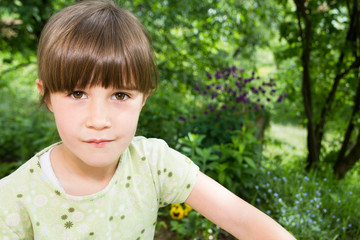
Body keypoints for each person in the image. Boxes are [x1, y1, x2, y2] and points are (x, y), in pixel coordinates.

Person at [0, 1, 296, 239]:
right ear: (47, 95)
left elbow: (245, 221)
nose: (99, 120)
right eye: (77, 93)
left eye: (120, 95)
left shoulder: (152, 164)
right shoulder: (14, 198)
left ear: (144, 97)